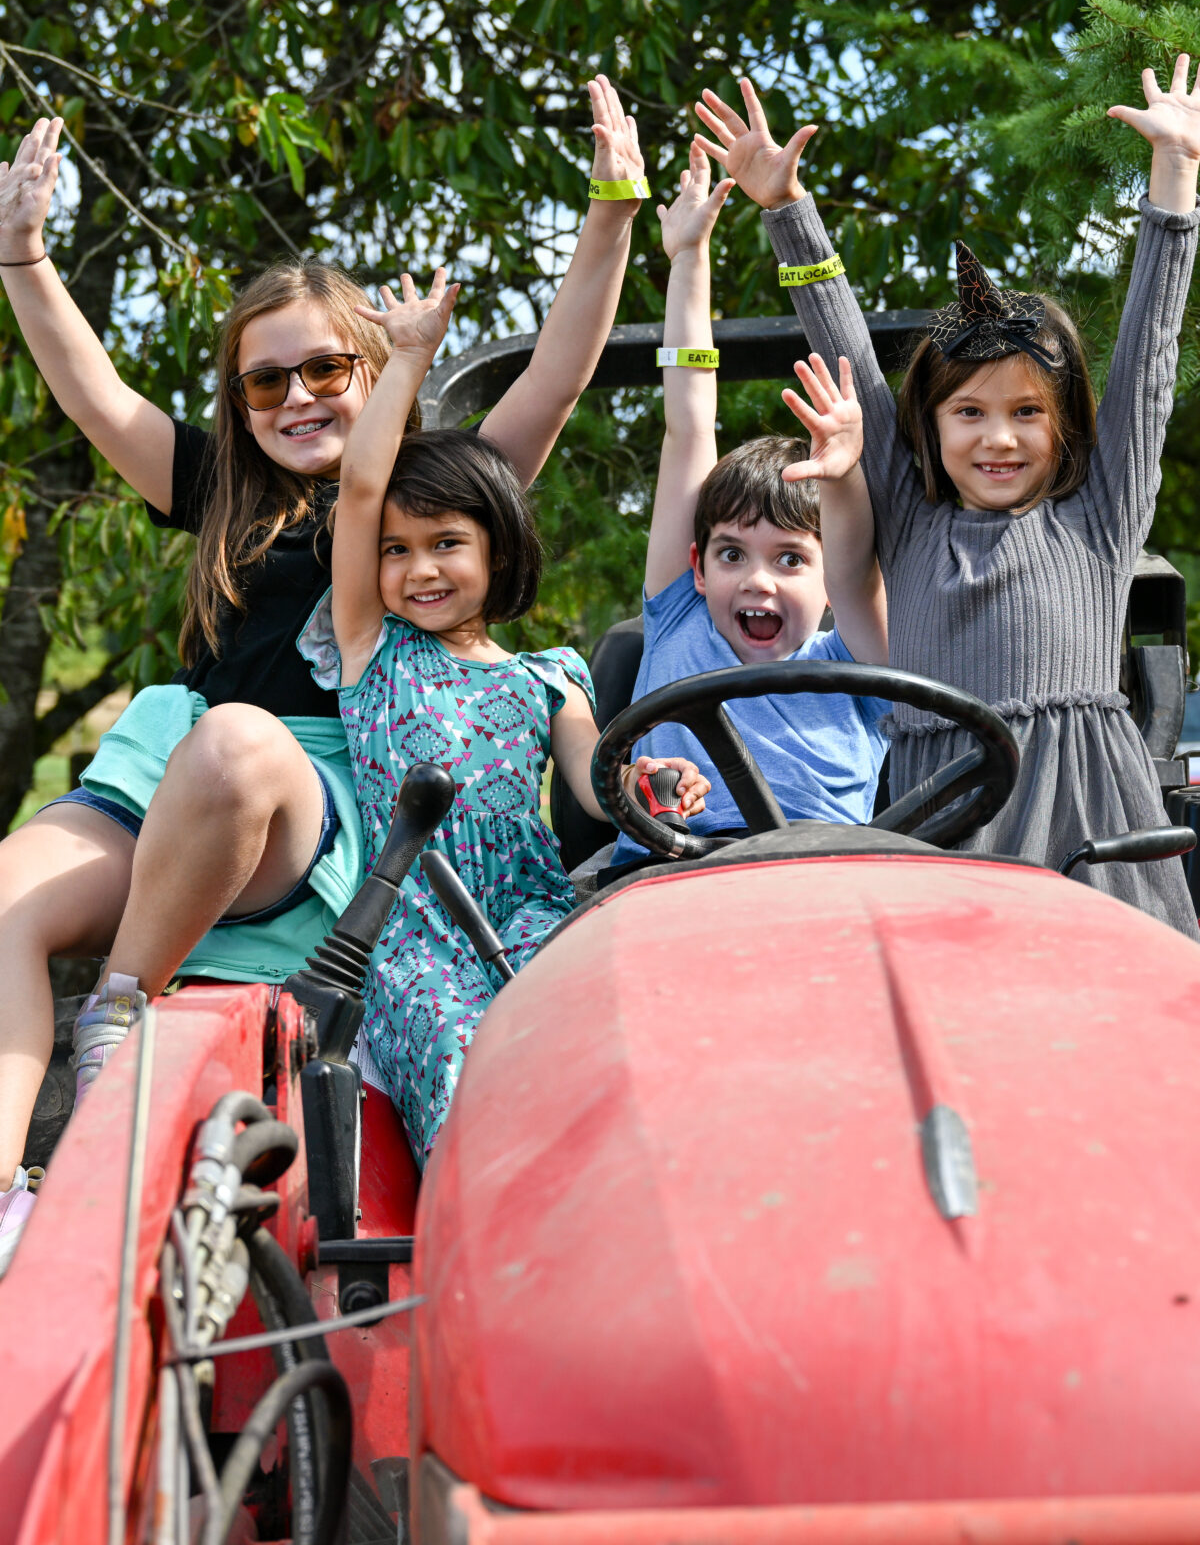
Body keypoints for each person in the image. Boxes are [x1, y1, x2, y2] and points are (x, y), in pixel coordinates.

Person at [0, 76, 649, 1269]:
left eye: (324, 371)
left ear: (374, 366)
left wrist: (609, 215)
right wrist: (26, 260)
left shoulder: (430, 492)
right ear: (238, 399)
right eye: (265, 380)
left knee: (245, 741)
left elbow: (555, 374)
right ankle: (6, 1200)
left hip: (328, 788)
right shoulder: (215, 489)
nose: (296, 396)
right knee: (5, 902)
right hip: (176, 764)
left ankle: (123, 1016)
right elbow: (91, 394)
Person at [694, 65, 1200, 936]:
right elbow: (843, 340)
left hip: (1089, 830)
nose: (997, 438)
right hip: (945, 826)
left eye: (1025, 413)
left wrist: (1175, 183)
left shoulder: (1101, 517)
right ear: (930, 425)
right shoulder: (913, 518)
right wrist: (786, 209)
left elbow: (1150, 361)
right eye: (970, 412)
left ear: (1065, 423)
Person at [297, 271, 708, 1159]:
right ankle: (478, 1233)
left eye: (446, 543)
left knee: (604, 1054)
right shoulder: (371, 649)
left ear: (498, 545)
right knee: (465, 1066)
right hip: (413, 935)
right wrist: (407, 356)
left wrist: (649, 780)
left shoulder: (549, 676)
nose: (421, 570)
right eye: (398, 553)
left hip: (530, 915)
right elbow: (361, 489)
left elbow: (599, 787)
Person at [610, 141, 889, 869]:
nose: (758, 579)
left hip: (823, 882)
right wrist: (688, 257)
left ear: (827, 580)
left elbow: (857, 572)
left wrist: (841, 474)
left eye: (791, 558)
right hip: (670, 872)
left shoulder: (859, 666)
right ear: (698, 567)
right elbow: (689, 423)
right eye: (733, 554)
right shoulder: (678, 616)